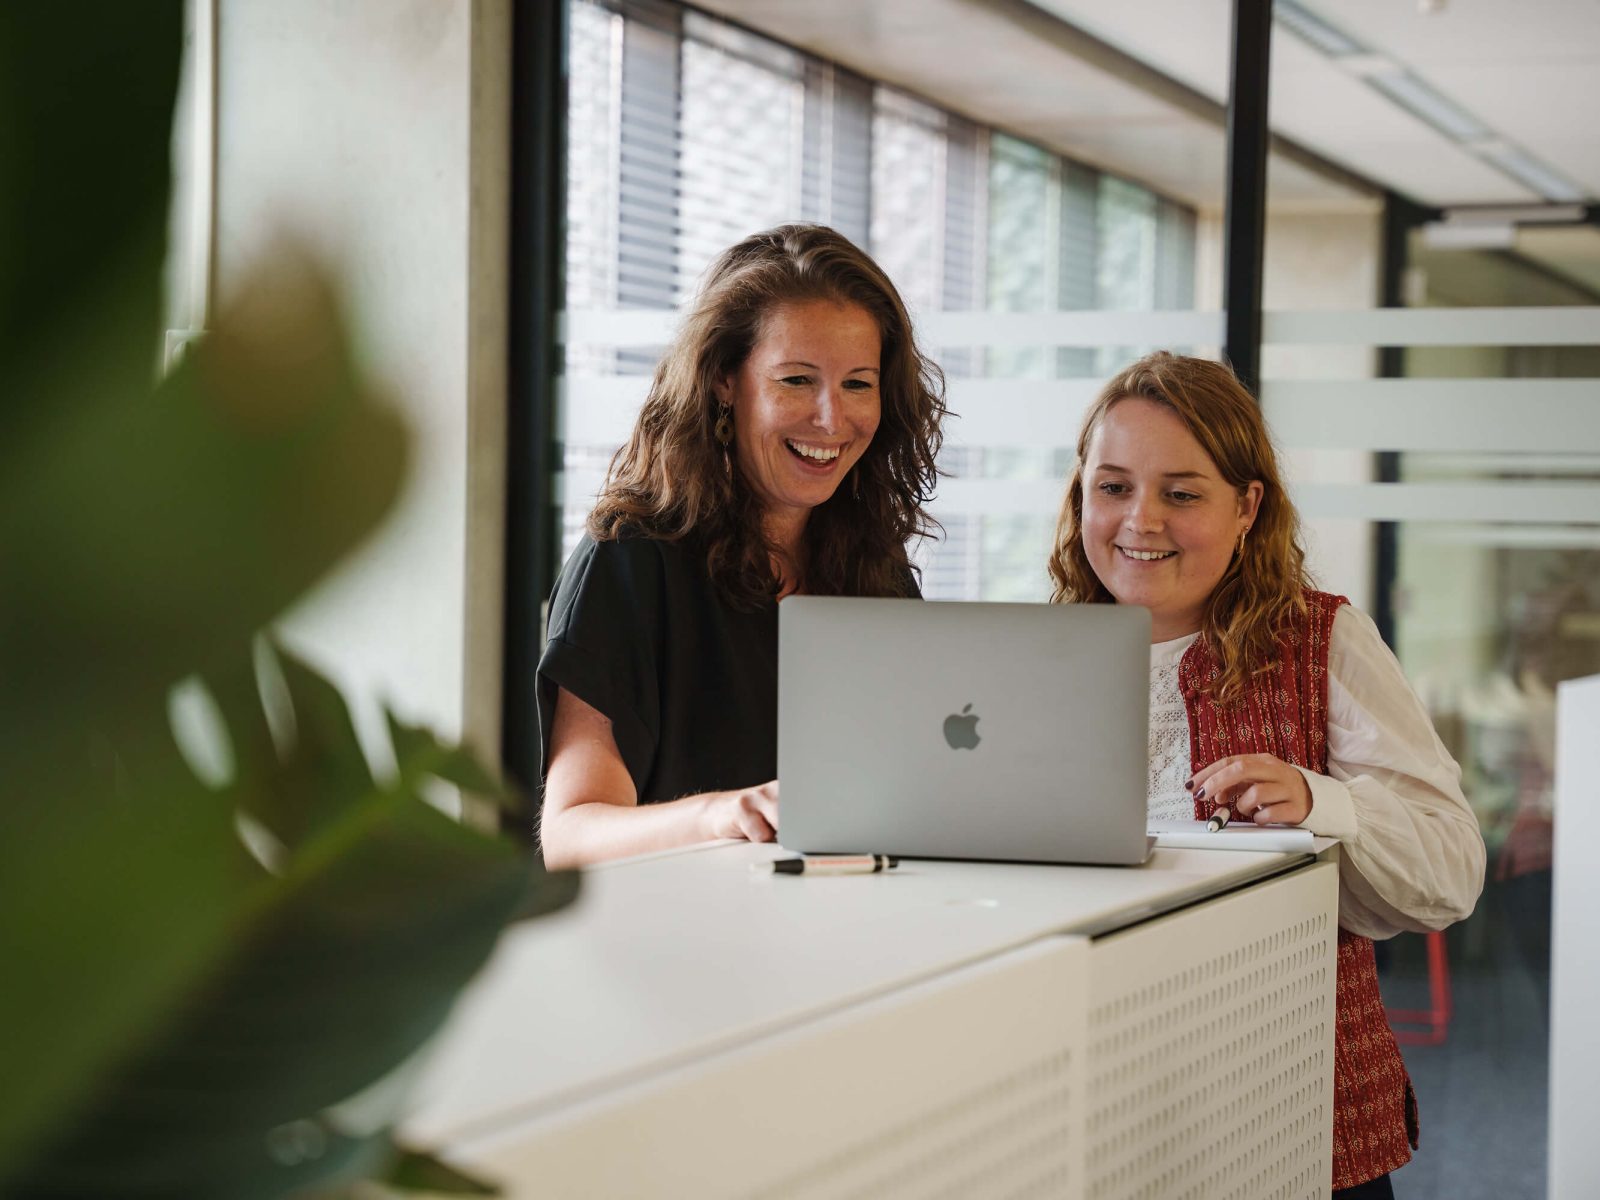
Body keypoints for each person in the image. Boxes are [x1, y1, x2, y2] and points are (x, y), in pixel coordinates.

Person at [1047, 351, 1485, 1198]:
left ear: (1248, 506)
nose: (1141, 519)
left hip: (1291, 1111)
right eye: (1112, 487)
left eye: (1182, 493)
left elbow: (1451, 868)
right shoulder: (1035, 661)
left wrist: (1325, 804)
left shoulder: (1321, 640)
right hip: (1109, 1101)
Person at [537, 224, 946, 870]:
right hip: (686, 950)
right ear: (726, 380)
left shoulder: (875, 569)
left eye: (857, 385)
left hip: (852, 942)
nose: (831, 419)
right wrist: (722, 815)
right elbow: (571, 835)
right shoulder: (627, 563)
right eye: (796, 380)